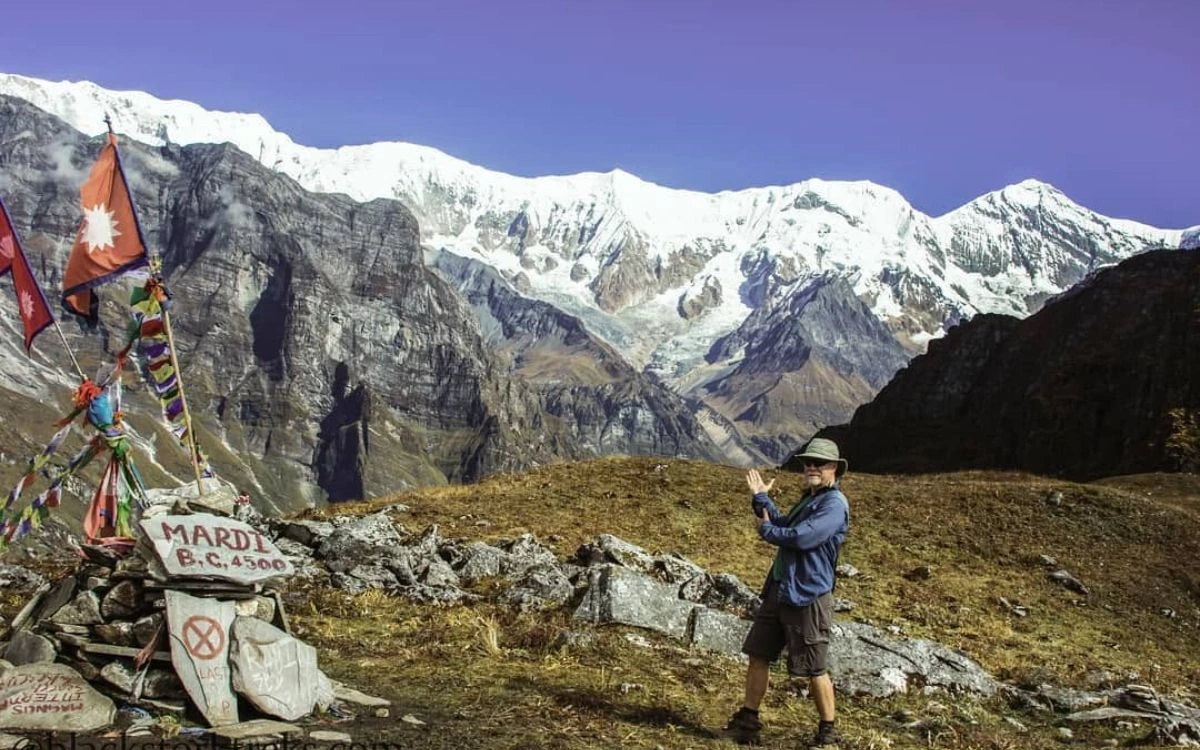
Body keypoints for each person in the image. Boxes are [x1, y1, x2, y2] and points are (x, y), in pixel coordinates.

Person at [721, 437, 851, 747]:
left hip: (808, 595)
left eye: (818, 463)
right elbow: (784, 524)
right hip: (781, 589)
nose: (811, 467)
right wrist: (762, 500)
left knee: (814, 667)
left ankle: (828, 733)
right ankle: (748, 722)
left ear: (834, 468)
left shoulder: (834, 504)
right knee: (759, 654)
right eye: (807, 462)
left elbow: (803, 537)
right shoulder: (811, 499)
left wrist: (766, 531)